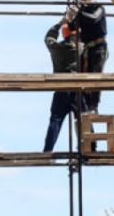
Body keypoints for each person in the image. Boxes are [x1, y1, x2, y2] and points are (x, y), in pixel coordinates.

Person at [60, 0, 108, 112]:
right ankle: (87, 105)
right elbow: (71, 28)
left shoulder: (99, 8)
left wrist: (79, 12)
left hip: (99, 48)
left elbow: (93, 19)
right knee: (84, 75)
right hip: (88, 48)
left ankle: (94, 105)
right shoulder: (81, 12)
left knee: (96, 76)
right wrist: (70, 16)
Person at [42, 23, 81, 152]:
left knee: (55, 121)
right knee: (83, 119)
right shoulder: (80, 49)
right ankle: (90, 148)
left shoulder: (56, 48)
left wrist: (60, 23)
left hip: (61, 90)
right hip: (77, 90)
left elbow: (48, 38)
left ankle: (47, 151)